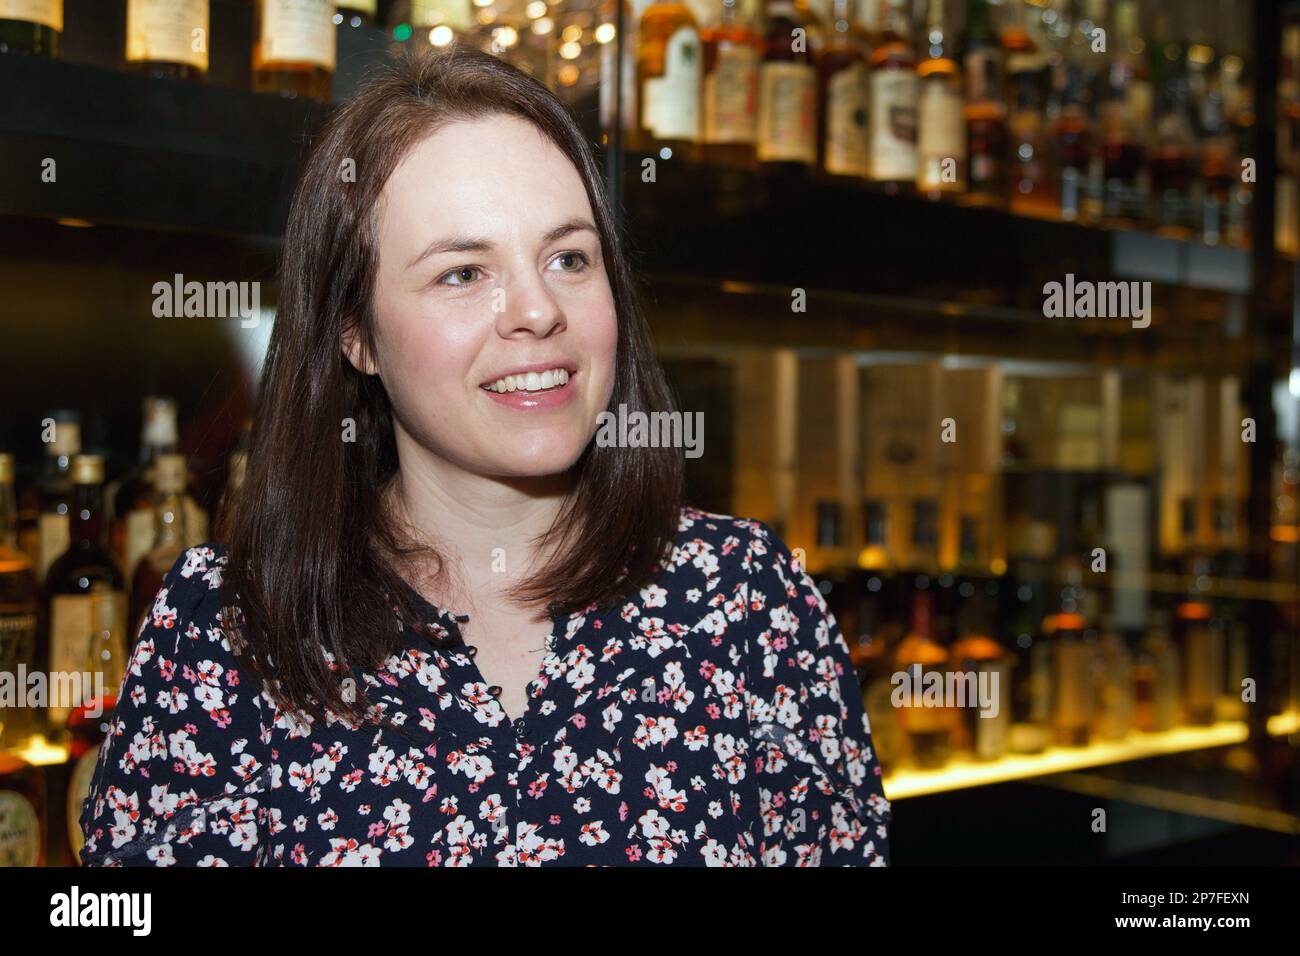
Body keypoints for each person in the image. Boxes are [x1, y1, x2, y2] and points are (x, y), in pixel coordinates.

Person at [78, 45, 890, 867]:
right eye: (463, 273)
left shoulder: (749, 605)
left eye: (568, 258)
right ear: (355, 334)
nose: (537, 310)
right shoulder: (226, 631)